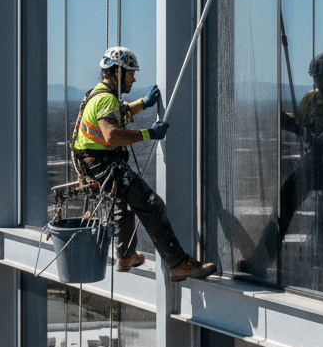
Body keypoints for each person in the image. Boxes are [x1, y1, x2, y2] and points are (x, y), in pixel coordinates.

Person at [71, 46, 217, 282]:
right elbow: (112, 135)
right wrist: (149, 134)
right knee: (152, 205)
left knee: (125, 204)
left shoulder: (95, 94)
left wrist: (145, 103)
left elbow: (120, 112)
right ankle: (179, 264)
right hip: (106, 167)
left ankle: (125, 255)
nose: (134, 77)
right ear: (116, 71)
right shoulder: (107, 99)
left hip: (94, 168)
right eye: (130, 73)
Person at [242, 49, 323, 275]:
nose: (319, 83)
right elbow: (302, 122)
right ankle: (261, 259)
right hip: (317, 162)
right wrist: (285, 120)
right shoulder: (312, 99)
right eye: (317, 78)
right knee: (286, 197)